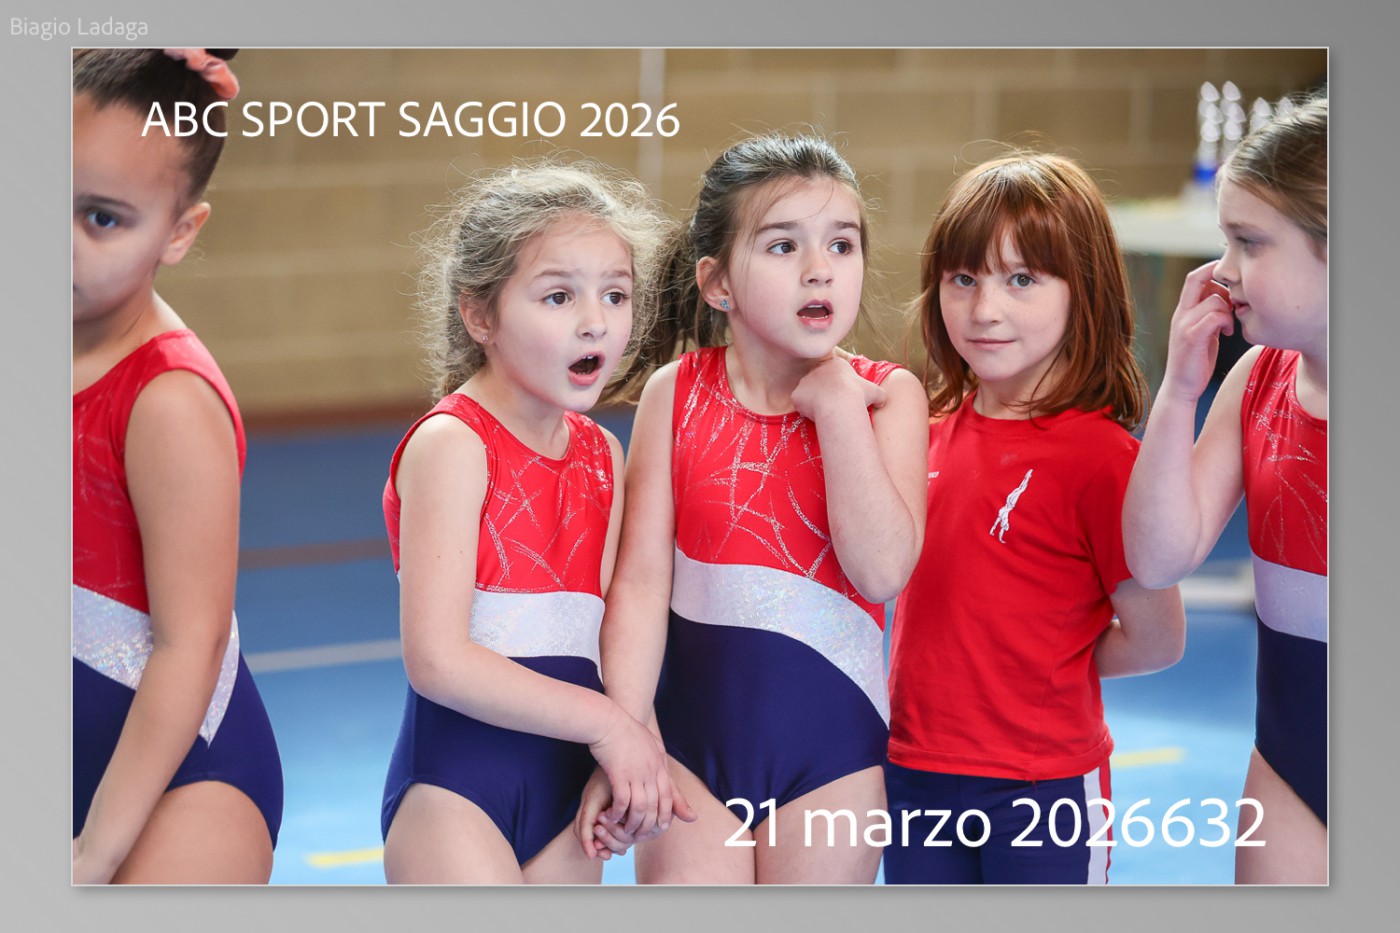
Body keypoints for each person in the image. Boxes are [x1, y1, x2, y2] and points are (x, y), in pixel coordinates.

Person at [586, 133, 929, 883]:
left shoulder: (886, 397)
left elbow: (881, 571)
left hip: (832, 763)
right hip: (691, 758)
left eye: (842, 244)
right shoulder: (676, 392)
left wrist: (836, 409)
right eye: (782, 246)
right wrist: (629, 732)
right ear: (718, 284)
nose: (819, 268)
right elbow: (639, 584)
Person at [379, 160, 693, 884]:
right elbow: (437, 659)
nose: (595, 322)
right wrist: (611, 727)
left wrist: (635, 752)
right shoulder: (454, 443)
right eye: (558, 296)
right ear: (480, 316)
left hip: (567, 795)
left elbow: (612, 631)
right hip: (457, 792)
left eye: (615, 294)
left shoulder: (602, 454)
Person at [885, 152, 1186, 885]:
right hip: (913, 774)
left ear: (1083, 289)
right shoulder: (919, 435)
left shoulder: (1105, 461)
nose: (984, 309)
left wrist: (1045, 666)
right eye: (964, 278)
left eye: (1021, 279)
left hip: (1042, 786)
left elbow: (1157, 638)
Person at [72, 48, 283, 884]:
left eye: (102, 218)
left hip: (179, 779)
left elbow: (189, 643)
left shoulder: (166, 400)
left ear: (180, 231)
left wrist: (90, 855)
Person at [1122, 97, 1328, 884]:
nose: (1223, 271)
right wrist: (1179, 390)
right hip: (1289, 767)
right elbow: (1156, 558)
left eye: (1249, 242)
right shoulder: (1257, 381)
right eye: (1224, 240)